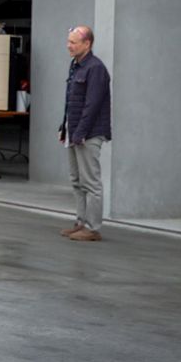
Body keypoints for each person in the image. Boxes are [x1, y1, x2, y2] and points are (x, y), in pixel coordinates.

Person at [58, 25, 111, 242]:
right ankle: (80, 222)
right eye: (68, 41)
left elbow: (93, 105)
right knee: (77, 180)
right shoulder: (76, 66)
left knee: (91, 181)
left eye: (73, 42)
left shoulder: (95, 68)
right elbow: (72, 102)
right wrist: (65, 128)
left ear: (87, 44)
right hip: (75, 132)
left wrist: (80, 133)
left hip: (88, 134)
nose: (68, 46)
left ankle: (93, 227)